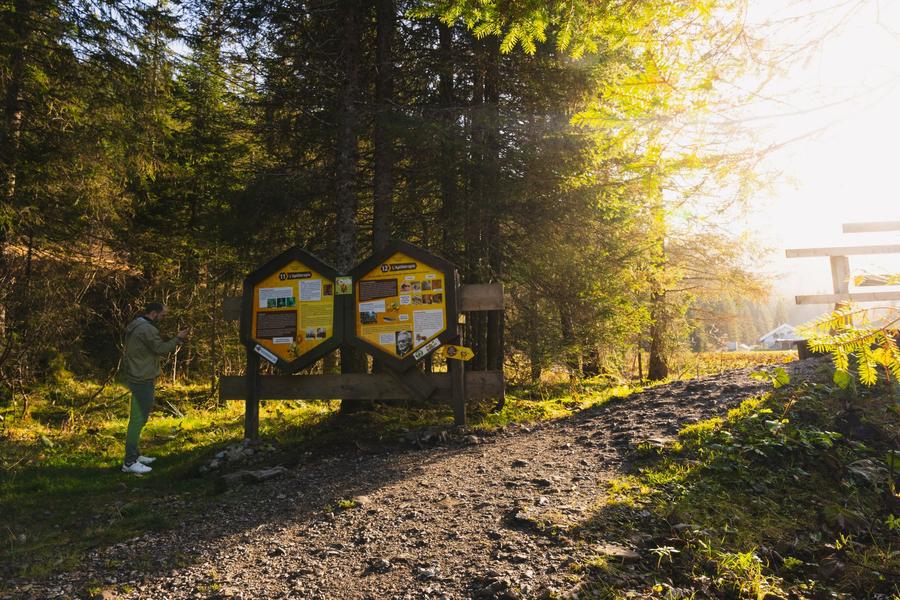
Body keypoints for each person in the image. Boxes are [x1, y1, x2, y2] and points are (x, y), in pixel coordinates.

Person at [121, 302, 190, 474]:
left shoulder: (137, 324)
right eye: (162, 315)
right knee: (138, 420)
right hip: (142, 377)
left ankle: (135, 455)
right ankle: (129, 462)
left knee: (139, 418)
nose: (163, 317)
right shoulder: (147, 329)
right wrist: (179, 338)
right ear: (154, 313)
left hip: (137, 374)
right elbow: (161, 348)